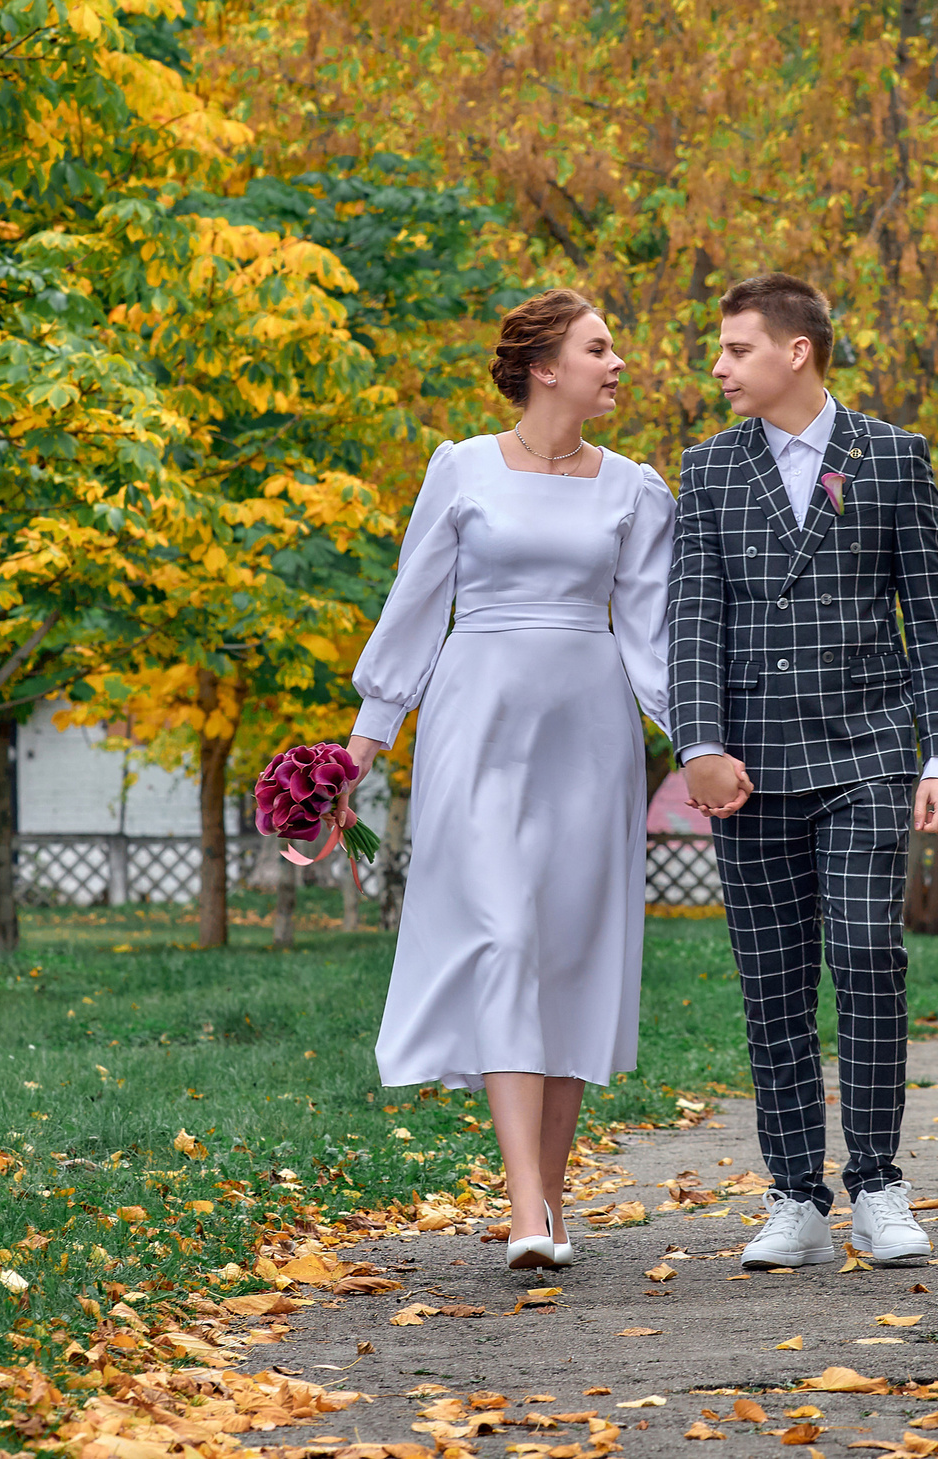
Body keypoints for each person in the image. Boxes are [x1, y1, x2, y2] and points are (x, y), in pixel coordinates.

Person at [338, 289, 674, 1272]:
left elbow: (651, 638)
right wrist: (367, 737)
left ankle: (552, 1200)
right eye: (599, 348)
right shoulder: (462, 470)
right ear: (544, 364)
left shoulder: (634, 489)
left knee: (565, 956)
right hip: (475, 719)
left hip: (590, 731)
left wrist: (700, 743)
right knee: (499, 935)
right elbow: (414, 604)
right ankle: (525, 1203)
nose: (618, 365)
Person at [668, 271, 938, 1270]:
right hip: (749, 766)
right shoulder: (708, 470)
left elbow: (932, 618)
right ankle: (792, 1194)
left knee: (868, 956)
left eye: (735, 349)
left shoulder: (890, 456)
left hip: (868, 751)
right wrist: (698, 747)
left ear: (796, 351)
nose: (719, 368)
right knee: (771, 981)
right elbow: (694, 622)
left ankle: (877, 1181)